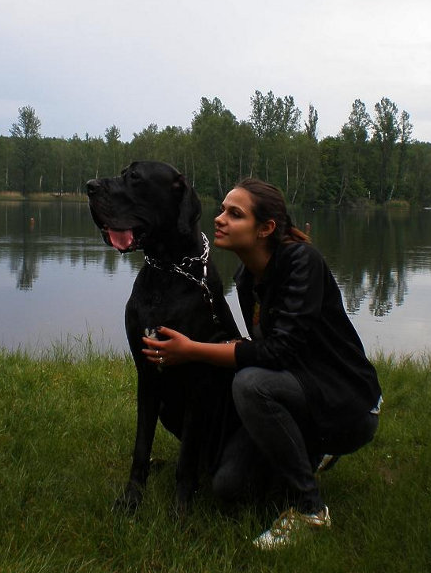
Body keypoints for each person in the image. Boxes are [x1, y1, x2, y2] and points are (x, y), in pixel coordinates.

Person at [142, 178, 382, 549]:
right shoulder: (245, 277)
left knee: (251, 385)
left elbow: (277, 352)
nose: (219, 218)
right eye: (222, 210)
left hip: (346, 403)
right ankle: (304, 453)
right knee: (228, 486)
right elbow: (264, 345)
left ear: (265, 228)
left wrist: (193, 349)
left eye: (235, 214)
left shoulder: (302, 262)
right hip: (298, 391)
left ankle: (309, 509)